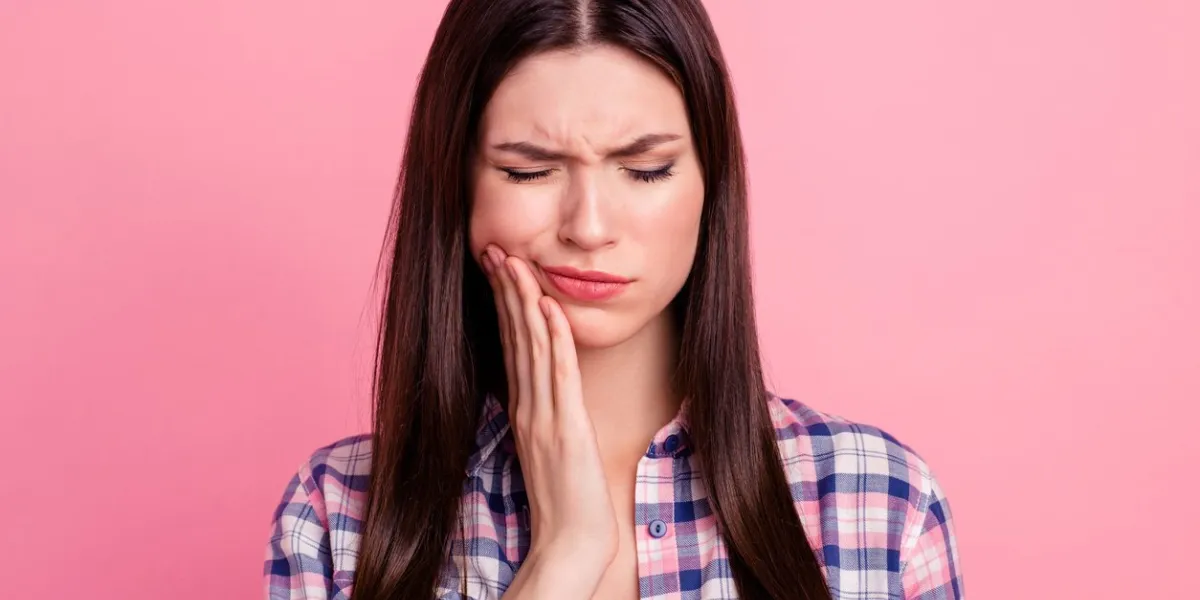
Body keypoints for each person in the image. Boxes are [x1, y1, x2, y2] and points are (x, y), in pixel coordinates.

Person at [264, 0, 963, 598]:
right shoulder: (338, 516)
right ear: (458, 186)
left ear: (709, 184)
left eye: (645, 169)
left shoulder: (876, 501)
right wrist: (563, 554)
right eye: (528, 170)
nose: (589, 227)